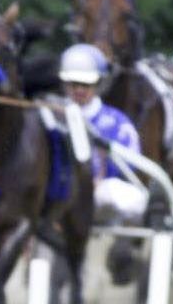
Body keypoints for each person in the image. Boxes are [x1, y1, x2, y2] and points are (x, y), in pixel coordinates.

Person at [58, 43, 147, 225]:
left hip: (101, 196)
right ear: (64, 84)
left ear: (99, 83)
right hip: (61, 194)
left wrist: (101, 177)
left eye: (86, 84)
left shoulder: (117, 122)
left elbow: (130, 163)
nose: (79, 90)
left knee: (129, 197)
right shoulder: (53, 118)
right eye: (74, 84)